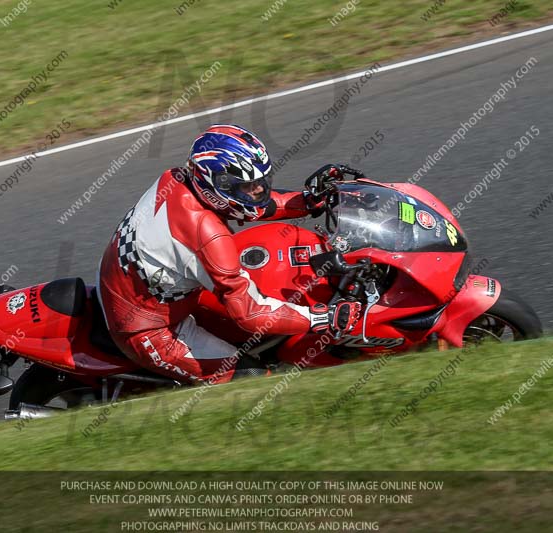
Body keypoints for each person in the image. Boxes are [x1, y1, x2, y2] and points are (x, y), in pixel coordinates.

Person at [97, 125, 361, 383]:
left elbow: (250, 205)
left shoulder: (179, 177)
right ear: (215, 185)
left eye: (261, 182)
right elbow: (251, 314)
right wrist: (323, 318)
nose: (259, 191)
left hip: (138, 282)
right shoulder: (206, 234)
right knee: (254, 379)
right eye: (247, 187)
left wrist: (307, 200)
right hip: (148, 330)